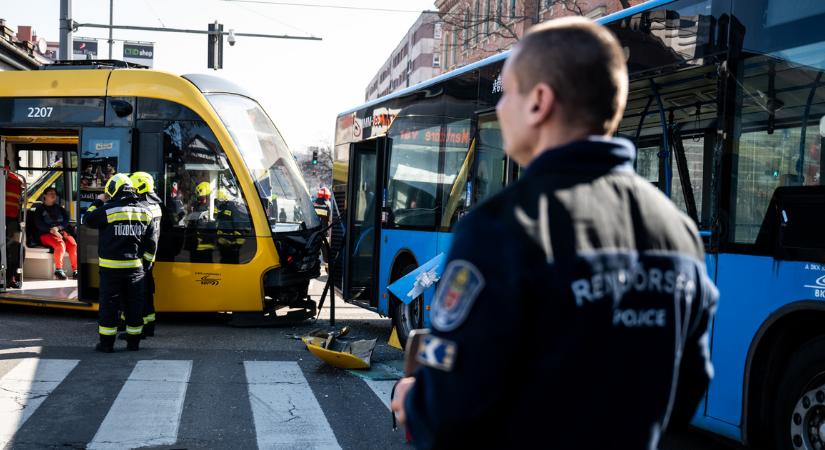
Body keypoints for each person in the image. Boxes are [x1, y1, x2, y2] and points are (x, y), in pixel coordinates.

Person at [390, 17, 719, 449]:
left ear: (539, 102)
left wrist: (413, 402)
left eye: (507, 92)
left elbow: (449, 412)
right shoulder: (677, 230)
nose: (500, 107)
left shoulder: (500, 228)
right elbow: (690, 383)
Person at [84, 173, 156, 352]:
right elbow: (151, 245)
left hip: (111, 270)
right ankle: (133, 343)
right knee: (134, 305)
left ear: (113, 190)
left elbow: (87, 220)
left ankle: (107, 345)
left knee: (109, 306)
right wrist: (145, 267)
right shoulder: (146, 212)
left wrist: (99, 201)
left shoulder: (108, 210)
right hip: (135, 269)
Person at [129, 172, 162, 337]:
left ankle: (141, 328)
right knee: (147, 293)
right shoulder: (154, 204)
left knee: (139, 294)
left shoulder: (143, 207)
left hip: (142, 258)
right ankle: (149, 326)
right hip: (149, 257)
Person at [33, 187, 77, 280]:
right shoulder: (39, 210)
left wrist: (58, 228)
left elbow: (66, 221)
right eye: (50, 193)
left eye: (54, 193)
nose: (53, 195)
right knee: (60, 244)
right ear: (44, 195)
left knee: (73, 244)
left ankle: (75, 270)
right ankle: (58, 270)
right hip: (46, 234)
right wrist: (51, 230)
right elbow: (39, 224)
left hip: (61, 232)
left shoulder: (60, 208)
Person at [215, 188, 249, 264]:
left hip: (231, 246)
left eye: (219, 201)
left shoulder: (232, 208)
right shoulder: (222, 210)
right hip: (224, 246)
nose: (218, 203)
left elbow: (238, 225)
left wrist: (237, 245)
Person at [184, 181, 216, 263]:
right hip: (200, 248)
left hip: (201, 248)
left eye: (201, 198)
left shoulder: (208, 210)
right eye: (199, 198)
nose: (199, 201)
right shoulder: (203, 210)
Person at [5, 162, 24, 288]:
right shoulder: (17, 180)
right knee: (15, 250)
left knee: (13, 250)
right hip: (12, 220)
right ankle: (11, 278)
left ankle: (10, 278)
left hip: (10, 220)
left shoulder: (14, 180)